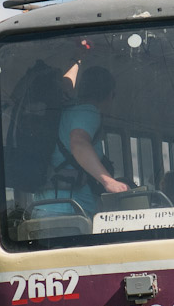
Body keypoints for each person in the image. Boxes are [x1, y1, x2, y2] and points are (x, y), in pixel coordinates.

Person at [35, 64, 128, 215]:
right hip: (69, 210)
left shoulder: (66, 110)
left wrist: (78, 56)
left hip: (47, 204)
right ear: (110, 94)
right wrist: (109, 182)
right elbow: (78, 142)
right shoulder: (88, 112)